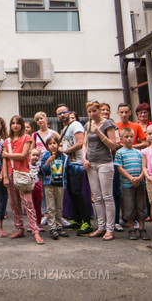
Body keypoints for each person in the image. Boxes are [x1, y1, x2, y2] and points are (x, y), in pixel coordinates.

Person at [3, 115, 43, 244]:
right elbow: (4, 161)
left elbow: (23, 155)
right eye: (13, 123)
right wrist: (4, 176)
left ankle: (35, 231)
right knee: (14, 204)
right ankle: (19, 228)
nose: (15, 125)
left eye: (18, 123)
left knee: (28, 204)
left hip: (23, 174)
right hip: (10, 173)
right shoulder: (7, 140)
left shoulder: (26, 138)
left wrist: (8, 154)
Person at [82, 101, 118, 240]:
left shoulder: (108, 124)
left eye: (94, 111)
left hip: (105, 163)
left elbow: (113, 145)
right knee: (96, 197)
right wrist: (84, 159)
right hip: (91, 164)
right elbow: (85, 144)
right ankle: (101, 227)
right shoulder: (87, 124)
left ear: (99, 110)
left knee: (107, 196)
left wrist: (98, 132)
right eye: (89, 112)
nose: (92, 114)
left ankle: (110, 229)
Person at [57, 104, 91, 235]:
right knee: (71, 193)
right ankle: (77, 220)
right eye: (59, 114)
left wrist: (65, 151)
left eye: (64, 112)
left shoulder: (76, 125)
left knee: (78, 193)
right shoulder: (64, 129)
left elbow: (81, 142)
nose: (62, 115)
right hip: (68, 165)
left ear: (69, 112)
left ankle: (86, 222)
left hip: (76, 164)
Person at [114, 127, 149, 241]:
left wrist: (139, 178)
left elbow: (144, 167)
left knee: (141, 205)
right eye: (126, 137)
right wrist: (131, 178)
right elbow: (119, 167)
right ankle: (131, 228)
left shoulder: (139, 152)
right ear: (121, 139)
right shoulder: (120, 152)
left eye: (131, 137)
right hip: (127, 184)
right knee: (129, 206)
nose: (129, 139)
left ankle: (142, 228)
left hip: (141, 183)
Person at [40, 135, 68, 240]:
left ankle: (59, 226)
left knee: (59, 206)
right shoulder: (45, 156)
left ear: (58, 144)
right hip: (49, 184)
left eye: (54, 143)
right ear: (47, 146)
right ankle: (52, 228)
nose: (52, 146)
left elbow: (67, 168)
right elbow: (43, 170)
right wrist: (48, 162)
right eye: (50, 144)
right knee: (50, 207)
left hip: (59, 183)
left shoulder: (63, 156)